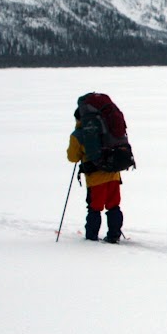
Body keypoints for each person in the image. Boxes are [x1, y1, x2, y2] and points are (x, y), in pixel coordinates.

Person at [67, 101, 124, 243]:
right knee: (114, 206)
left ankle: (92, 237)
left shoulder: (78, 134)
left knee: (94, 207)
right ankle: (114, 235)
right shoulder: (105, 127)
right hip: (113, 174)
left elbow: (72, 157)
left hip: (95, 178)